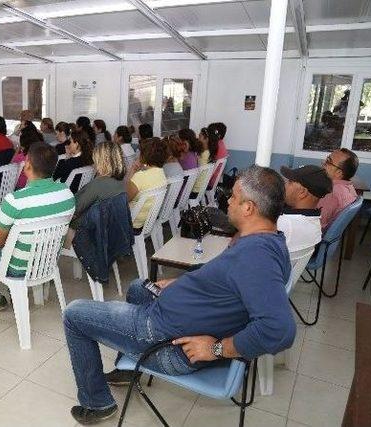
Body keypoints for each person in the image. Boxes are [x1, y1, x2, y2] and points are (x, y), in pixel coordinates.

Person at [63, 165, 296, 424]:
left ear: (249, 208)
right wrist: (180, 283)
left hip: (168, 341)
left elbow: (279, 330)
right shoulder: (269, 241)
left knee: (74, 314)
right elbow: (226, 280)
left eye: (233, 197)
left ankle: (97, 404)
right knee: (139, 286)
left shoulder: (256, 258)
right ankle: (128, 368)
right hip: (175, 320)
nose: (228, 201)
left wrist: (216, 348)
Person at [0, 143, 75, 311]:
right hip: (47, 261)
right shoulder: (67, 195)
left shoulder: (15, 200)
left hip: (17, 267)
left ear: (28, 164)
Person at [66, 141, 126, 244]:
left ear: (102, 161)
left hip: (83, 233)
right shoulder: (122, 182)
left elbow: (73, 210)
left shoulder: (98, 185)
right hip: (107, 231)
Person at [279, 165, 333, 256]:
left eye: (290, 182)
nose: (285, 184)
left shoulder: (284, 224)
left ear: (302, 192)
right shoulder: (314, 223)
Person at [127, 137, 167, 229]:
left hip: (131, 222)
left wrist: (132, 170)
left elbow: (123, 199)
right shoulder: (162, 173)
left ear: (145, 155)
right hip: (146, 221)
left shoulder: (140, 177)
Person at [318, 148, 359, 231]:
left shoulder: (332, 193)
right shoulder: (349, 188)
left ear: (339, 173)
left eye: (328, 161)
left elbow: (318, 224)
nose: (323, 163)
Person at [12, 121, 43, 189]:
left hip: (21, 187)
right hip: (36, 185)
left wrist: (18, 149)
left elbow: (11, 166)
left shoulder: (20, 157)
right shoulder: (40, 154)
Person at [190, 127, 214, 197]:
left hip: (196, 189)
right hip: (202, 187)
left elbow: (197, 172)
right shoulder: (208, 152)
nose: (198, 138)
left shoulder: (204, 155)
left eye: (200, 136)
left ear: (206, 139)